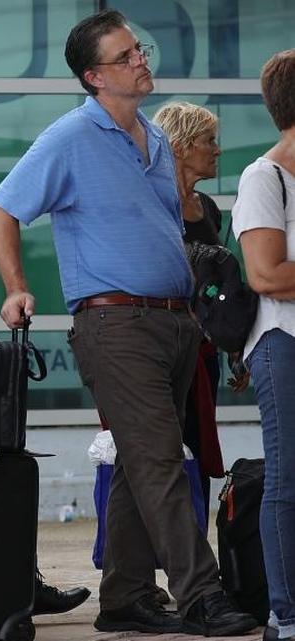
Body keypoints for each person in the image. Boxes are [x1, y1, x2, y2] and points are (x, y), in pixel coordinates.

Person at [0, 9, 256, 636]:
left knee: (141, 465)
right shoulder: (69, 137)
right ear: (94, 76)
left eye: (140, 49)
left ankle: (126, 598)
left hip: (174, 322)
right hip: (116, 326)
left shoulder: (156, 141)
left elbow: (162, 229)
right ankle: (201, 596)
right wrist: (17, 288)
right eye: (126, 56)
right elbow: (2, 209)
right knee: (161, 461)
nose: (142, 60)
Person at [152, 101, 247, 514]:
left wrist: (235, 348)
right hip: (163, 345)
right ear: (181, 145)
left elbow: (218, 286)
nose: (217, 149)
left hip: (204, 353)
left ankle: (194, 556)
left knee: (201, 445)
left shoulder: (206, 206)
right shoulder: (152, 202)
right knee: (164, 449)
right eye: (209, 140)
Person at [232, 47, 295, 641]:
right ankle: (286, 611)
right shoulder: (264, 177)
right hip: (283, 342)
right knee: (288, 477)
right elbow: (267, 274)